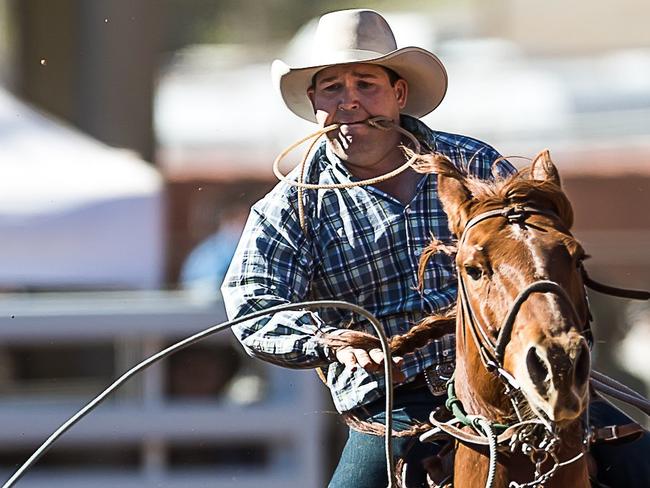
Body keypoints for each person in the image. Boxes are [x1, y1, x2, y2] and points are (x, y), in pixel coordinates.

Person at [221, 8, 650, 487]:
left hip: (515, 378)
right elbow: (252, 305)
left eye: (366, 84)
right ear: (314, 100)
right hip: (395, 401)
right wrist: (330, 342)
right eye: (332, 88)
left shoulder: (474, 162)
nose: (350, 102)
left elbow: (535, 251)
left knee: (641, 461)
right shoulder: (292, 206)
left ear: (398, 93)